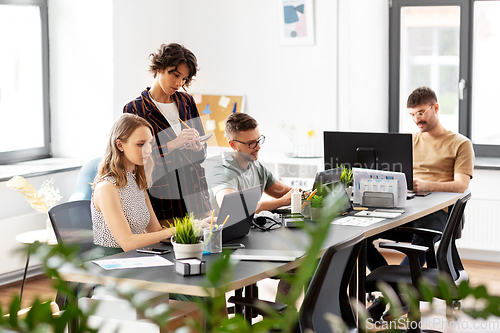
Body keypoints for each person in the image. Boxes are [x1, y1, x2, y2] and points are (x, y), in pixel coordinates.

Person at [366, 86, 475, 319]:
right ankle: (397, 293)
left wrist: (428, 185)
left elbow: (461, 185)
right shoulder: (409, 141)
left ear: (435, 108)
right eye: (412, 114)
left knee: (420, 240)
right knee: (359, 237)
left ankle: (391, 295)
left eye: (421, 112)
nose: (417, 119)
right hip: (407, 207)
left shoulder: (460, 143)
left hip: (439, 213)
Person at [124, 43, 211, 227]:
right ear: (159, 68)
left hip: (196, 198)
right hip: (164, 201)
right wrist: (172, 144)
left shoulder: (186, 101)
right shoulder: (134, 109)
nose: (179, 84)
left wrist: (198, 148)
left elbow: (202, 154)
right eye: (175, 74)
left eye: (184, 79)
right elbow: (135, 159)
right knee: (169, 253)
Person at [208, 113, 293, 214]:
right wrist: (282, 202)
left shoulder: (257, 167)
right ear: (233, 144)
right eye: (251, 143)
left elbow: (288, 193)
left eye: (258, 140)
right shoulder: (223, 172)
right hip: (222, 229)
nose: (258, 147)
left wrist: (303, 194)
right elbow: (232, 207)